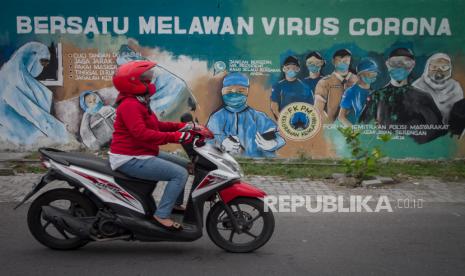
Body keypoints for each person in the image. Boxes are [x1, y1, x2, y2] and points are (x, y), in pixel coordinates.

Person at [109, 60, 198, 231]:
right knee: (179, 174)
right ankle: (161, 215)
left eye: (149, 80)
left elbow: (157, 126)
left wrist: (187, 127)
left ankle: (174, 204)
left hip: (143, 152)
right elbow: (142, 134)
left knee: (185, 166)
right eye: (145, 81)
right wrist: (177, 137)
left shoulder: (139, 101)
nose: (149, 84)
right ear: (133, 83)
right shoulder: (130, 105)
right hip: (129, 157)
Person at [360, 48, 445, 144]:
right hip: (384, 150)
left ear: (412, 66)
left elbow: (438, 130)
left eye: (406, 63)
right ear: (387, 64)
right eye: (394, 63)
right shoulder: (376, 97)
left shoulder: (423, 98)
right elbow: (363, 127)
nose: (399, 67)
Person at [0, 41, 69, 145]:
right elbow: (32, 111)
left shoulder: (21, 75)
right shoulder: (11, 77)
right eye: (42, 61)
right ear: (30, 56)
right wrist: (60, 134)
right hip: (17, 134)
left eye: (46, 63)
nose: (43, 66)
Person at [207, 72, 285, 157]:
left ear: (247, 92)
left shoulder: (258, 117)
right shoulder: (216, 118)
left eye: (240, 91)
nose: (234, 94)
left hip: (256, 165)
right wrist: (221, 143)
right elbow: (207, 139)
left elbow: (278, 135)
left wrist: (274, 143)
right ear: (223, 92)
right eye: (229, 90)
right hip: (227, 164)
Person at [412, 53, 464, 124]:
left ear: (450, 69)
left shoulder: (455, 86)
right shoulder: (417, 86)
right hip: (424, 129)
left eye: (444, 67)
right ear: (427, 68)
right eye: (434, 67)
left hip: (451, 129)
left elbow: (460, 112)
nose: (439, 71)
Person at [314, 49, 358, 124]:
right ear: (333, 61)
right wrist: (330, 128)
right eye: (339, 61)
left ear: (350, 61)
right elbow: (318, 110)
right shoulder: (325, 82)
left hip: (357, 126)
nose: (342, 63)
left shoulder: (357, 80)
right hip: (332, 129)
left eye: (345, 61)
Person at [338, 58, 379, 127]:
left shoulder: (375, 92)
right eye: (369, 74)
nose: (372, 77)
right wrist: (354, 130)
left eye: (374, 74)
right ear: (360, 75)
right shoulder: (351, 91)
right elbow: (341, 117)